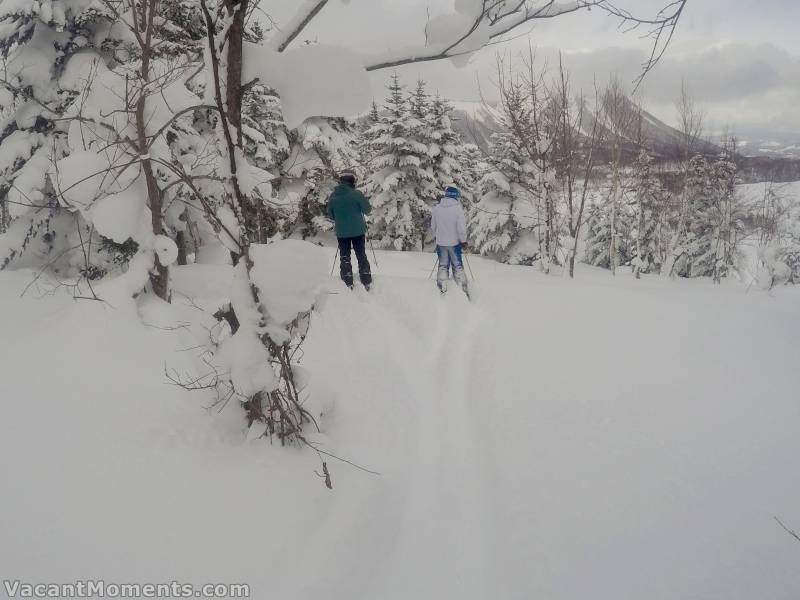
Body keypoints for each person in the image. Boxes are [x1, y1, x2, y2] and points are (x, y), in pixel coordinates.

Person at [326, 169, 373, 290]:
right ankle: (366, 280)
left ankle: (347, 281)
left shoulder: (333, 196)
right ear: (352, 180)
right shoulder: (356, 194)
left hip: (342, 232)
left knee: (345, 256)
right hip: (358, 231)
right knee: (360, 254)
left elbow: (331, 215)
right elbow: (367, 210)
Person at [430, 185, 469, 294]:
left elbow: (433, 226)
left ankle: (442, 284)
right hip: (454, 243)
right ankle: (462, 286)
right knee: (457, 265)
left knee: (443, 265)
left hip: (441, 243)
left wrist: (438, 236)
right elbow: (461, 228)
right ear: (456, 196)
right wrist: (463, 241)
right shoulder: (457, 209)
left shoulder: (437, 209)